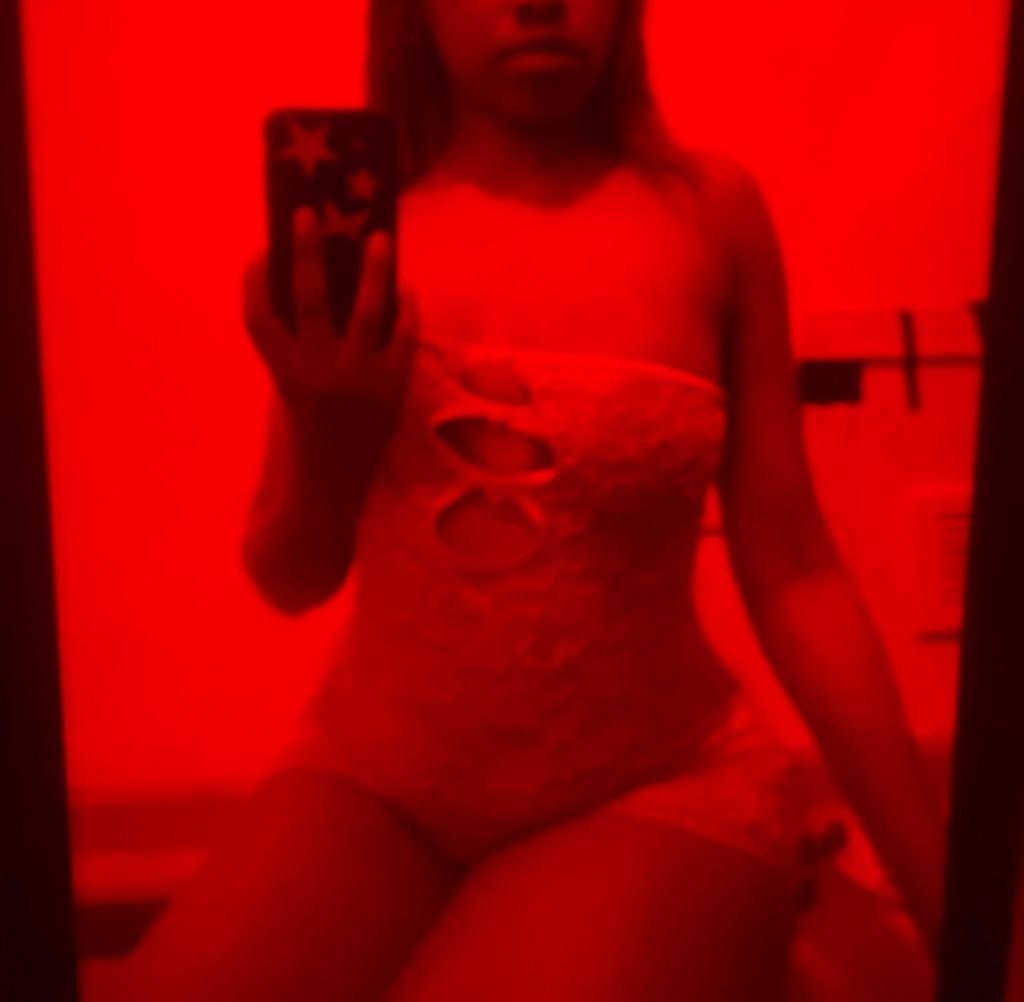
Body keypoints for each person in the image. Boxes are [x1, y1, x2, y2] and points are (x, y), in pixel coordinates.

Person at [107, 1, 948, 999]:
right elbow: (290, 575)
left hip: (653, 779)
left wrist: (948, 894)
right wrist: (326, 425)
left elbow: (795, 567)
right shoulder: (366, 228)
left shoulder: (708, 213)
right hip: (374, 776)